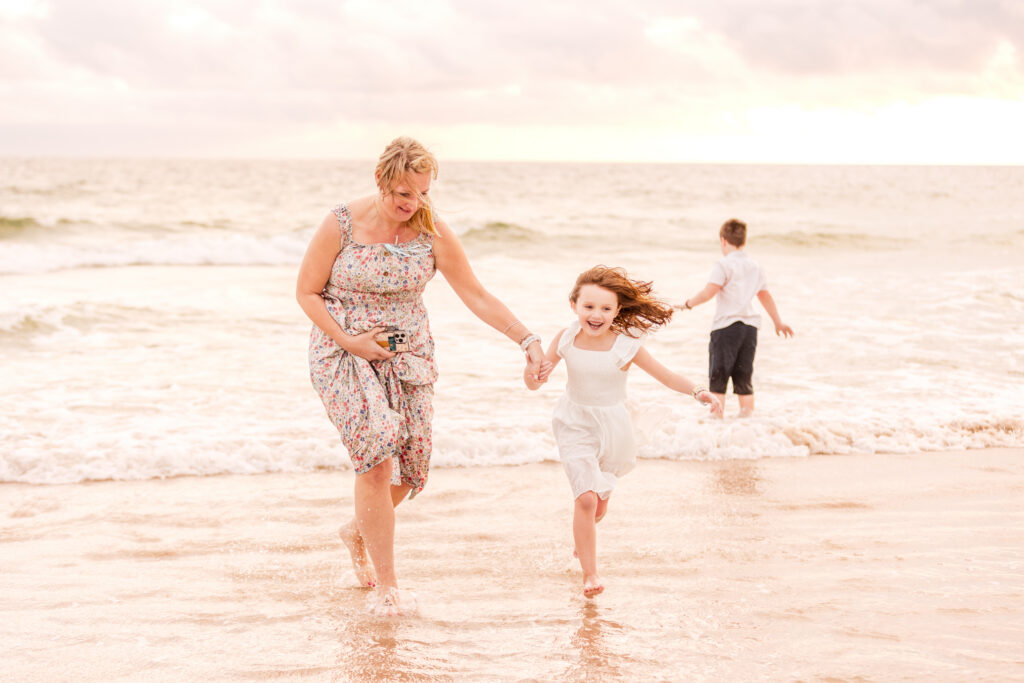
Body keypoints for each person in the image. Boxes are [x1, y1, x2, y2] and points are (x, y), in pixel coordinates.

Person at [296, 137, 546, 616]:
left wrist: (527, 339)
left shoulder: (431, 231)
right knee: (376, 458)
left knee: (411, 470)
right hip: (343, 352)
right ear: (381, 180)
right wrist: (350, 341)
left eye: (423, 193)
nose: (413, 203)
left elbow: (476, 295)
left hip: (409, 355)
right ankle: (388, 588)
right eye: (403, 194)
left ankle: (358, 530)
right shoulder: (341, 223)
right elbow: (306, 292)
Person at [525, 265, 721, 598]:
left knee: (598, 507)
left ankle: (584, 537)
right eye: (589, 306)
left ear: (617, 311)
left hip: (614, 428)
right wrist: (532, 373)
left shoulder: (626, 346)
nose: (596, 315)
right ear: (574, 305)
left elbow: (666, 376)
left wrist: (698, 391)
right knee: (585, 499)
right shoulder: (566, 337)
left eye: (606, 308)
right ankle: (590, 574)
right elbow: (535, 382)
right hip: (574, 423)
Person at [676, 218, 794, 418]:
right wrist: (778, 322)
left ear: (723, 240)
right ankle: (746, 423)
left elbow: (709, 292)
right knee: (744, 381)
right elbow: (764, 295)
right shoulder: (755, 266)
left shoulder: (723, 264)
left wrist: (688, 304)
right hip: (749, 329)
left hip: (726, 328)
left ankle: (716, 424)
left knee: (718, 380)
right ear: (743, 241)